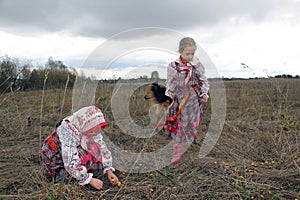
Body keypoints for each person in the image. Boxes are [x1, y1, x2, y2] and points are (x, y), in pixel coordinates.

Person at [39, 106, 119, 190]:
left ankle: (86, 170)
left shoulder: (92, 128)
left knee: (94, 148)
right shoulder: (68, 131)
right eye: (93, 130)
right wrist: (88, 179)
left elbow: (102, 147)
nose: (96, 133)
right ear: (87, 126)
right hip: (56, 155)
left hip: (74, 149)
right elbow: (69, 160)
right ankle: (61, 178)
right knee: (75, 162)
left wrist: (108, 169)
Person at [164, 37, 209, 164]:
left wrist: (204, 93)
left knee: (192, 124)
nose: (190, 56)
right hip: (179, 100)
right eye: (187, 53)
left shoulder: (197, 65)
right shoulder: (174, 66)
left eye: (192, 54)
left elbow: (203, 80)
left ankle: (187, 141)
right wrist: (170, 92)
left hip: (193, 100)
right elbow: (170, 82)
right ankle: (177, 152)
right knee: (180, 125)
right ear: (180, 51)